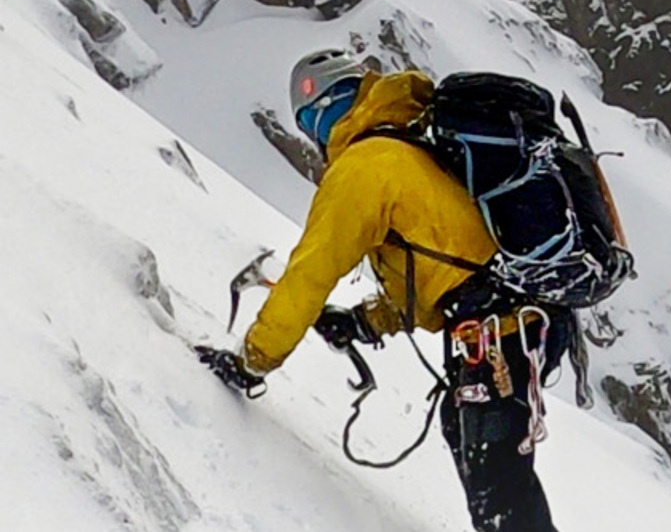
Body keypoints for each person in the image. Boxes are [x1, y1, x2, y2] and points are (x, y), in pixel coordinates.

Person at [198, 48, 561, 532]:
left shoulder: (366, 165)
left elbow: (311, 273)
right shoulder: (409, 146)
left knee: (500, 495)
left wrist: (251, 362)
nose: (315, 138)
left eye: (311, 123)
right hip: (516, 323)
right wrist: (365, 321)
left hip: (497, 335)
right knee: (486, 465)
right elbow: (440, 266)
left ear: (324, 112)